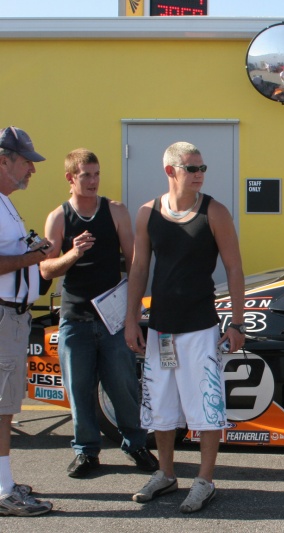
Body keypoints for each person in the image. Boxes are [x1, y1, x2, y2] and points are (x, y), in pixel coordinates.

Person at [124, 141, 245, 514]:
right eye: (192, 168)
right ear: (170, 171)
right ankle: (165, 473)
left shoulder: (214, 212)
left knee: (206, 407)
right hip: (161, 328)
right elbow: (139, 268)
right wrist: (131, 319)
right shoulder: (147, 213)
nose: (199, 174)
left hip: (200, 328)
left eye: (202, 168)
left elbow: (234, 268)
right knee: (161, 406)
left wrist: (237, 322)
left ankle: (205, 480)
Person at [40, 149, 158, 479]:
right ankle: (86, 452)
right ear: (70, 178)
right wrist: (73, 253)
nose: (93, 181)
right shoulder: (59, 217)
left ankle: (136, 445)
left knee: (123, 386)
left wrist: (132, 313)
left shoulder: (115, 210)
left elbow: (136, 262)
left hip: (113, 319)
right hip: (75, 318)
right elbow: (46, 269)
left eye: (96, 174)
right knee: (79, 391)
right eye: (86, 175)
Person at [0, 126, 53, 516]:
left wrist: (32, 252)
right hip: (3, 315)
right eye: (26, 163)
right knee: (2, 407)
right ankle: (4, 492)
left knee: (6, 406)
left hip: (12, 316)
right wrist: (33, 257)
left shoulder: (5, 203)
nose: (31, 170)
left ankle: (4, 482)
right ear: (4, 161)